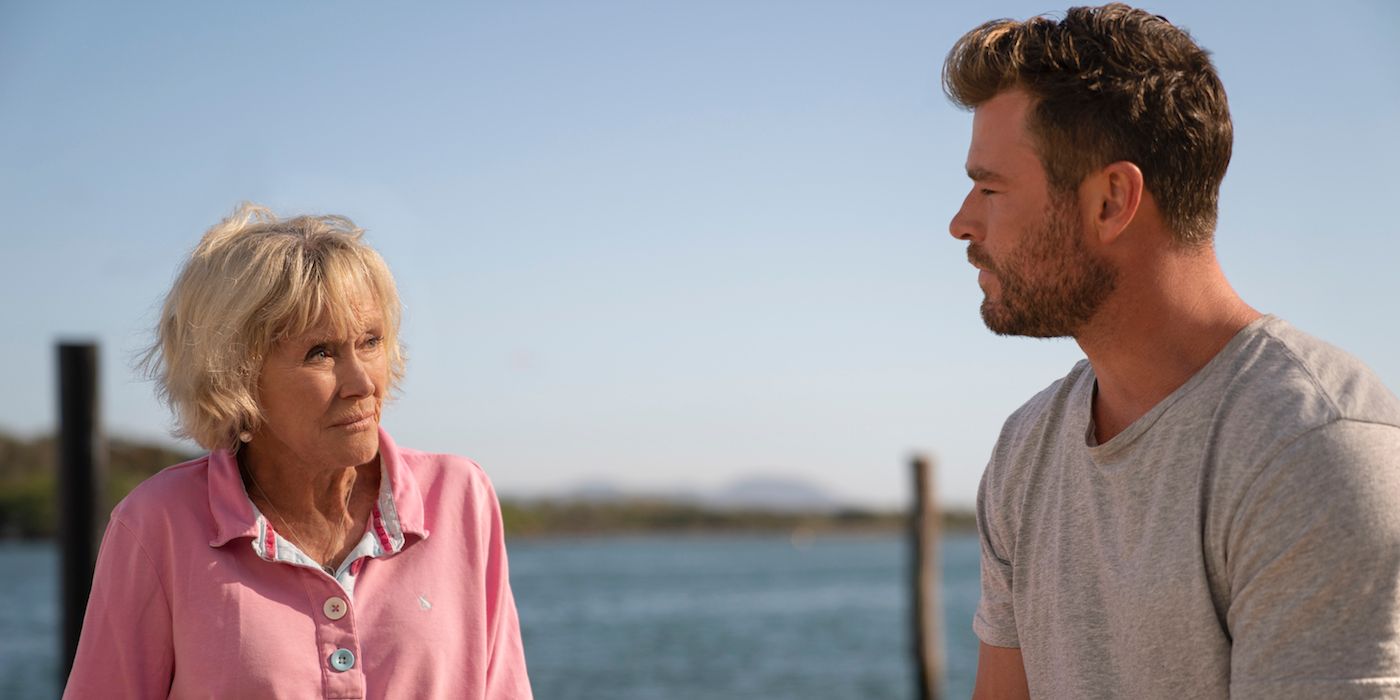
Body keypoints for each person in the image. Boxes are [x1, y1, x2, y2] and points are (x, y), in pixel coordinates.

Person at [943, 4, 1400, 698]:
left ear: (1112, 200)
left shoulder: (1314, 451)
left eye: (991, 187)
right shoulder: (1025, 452)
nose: (961, 222)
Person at [63, 204, 533, 698]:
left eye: (370, 342)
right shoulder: (156, 523)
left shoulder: (460, 498)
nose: (362, 383)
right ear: (237, 376)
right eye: (321, 353)